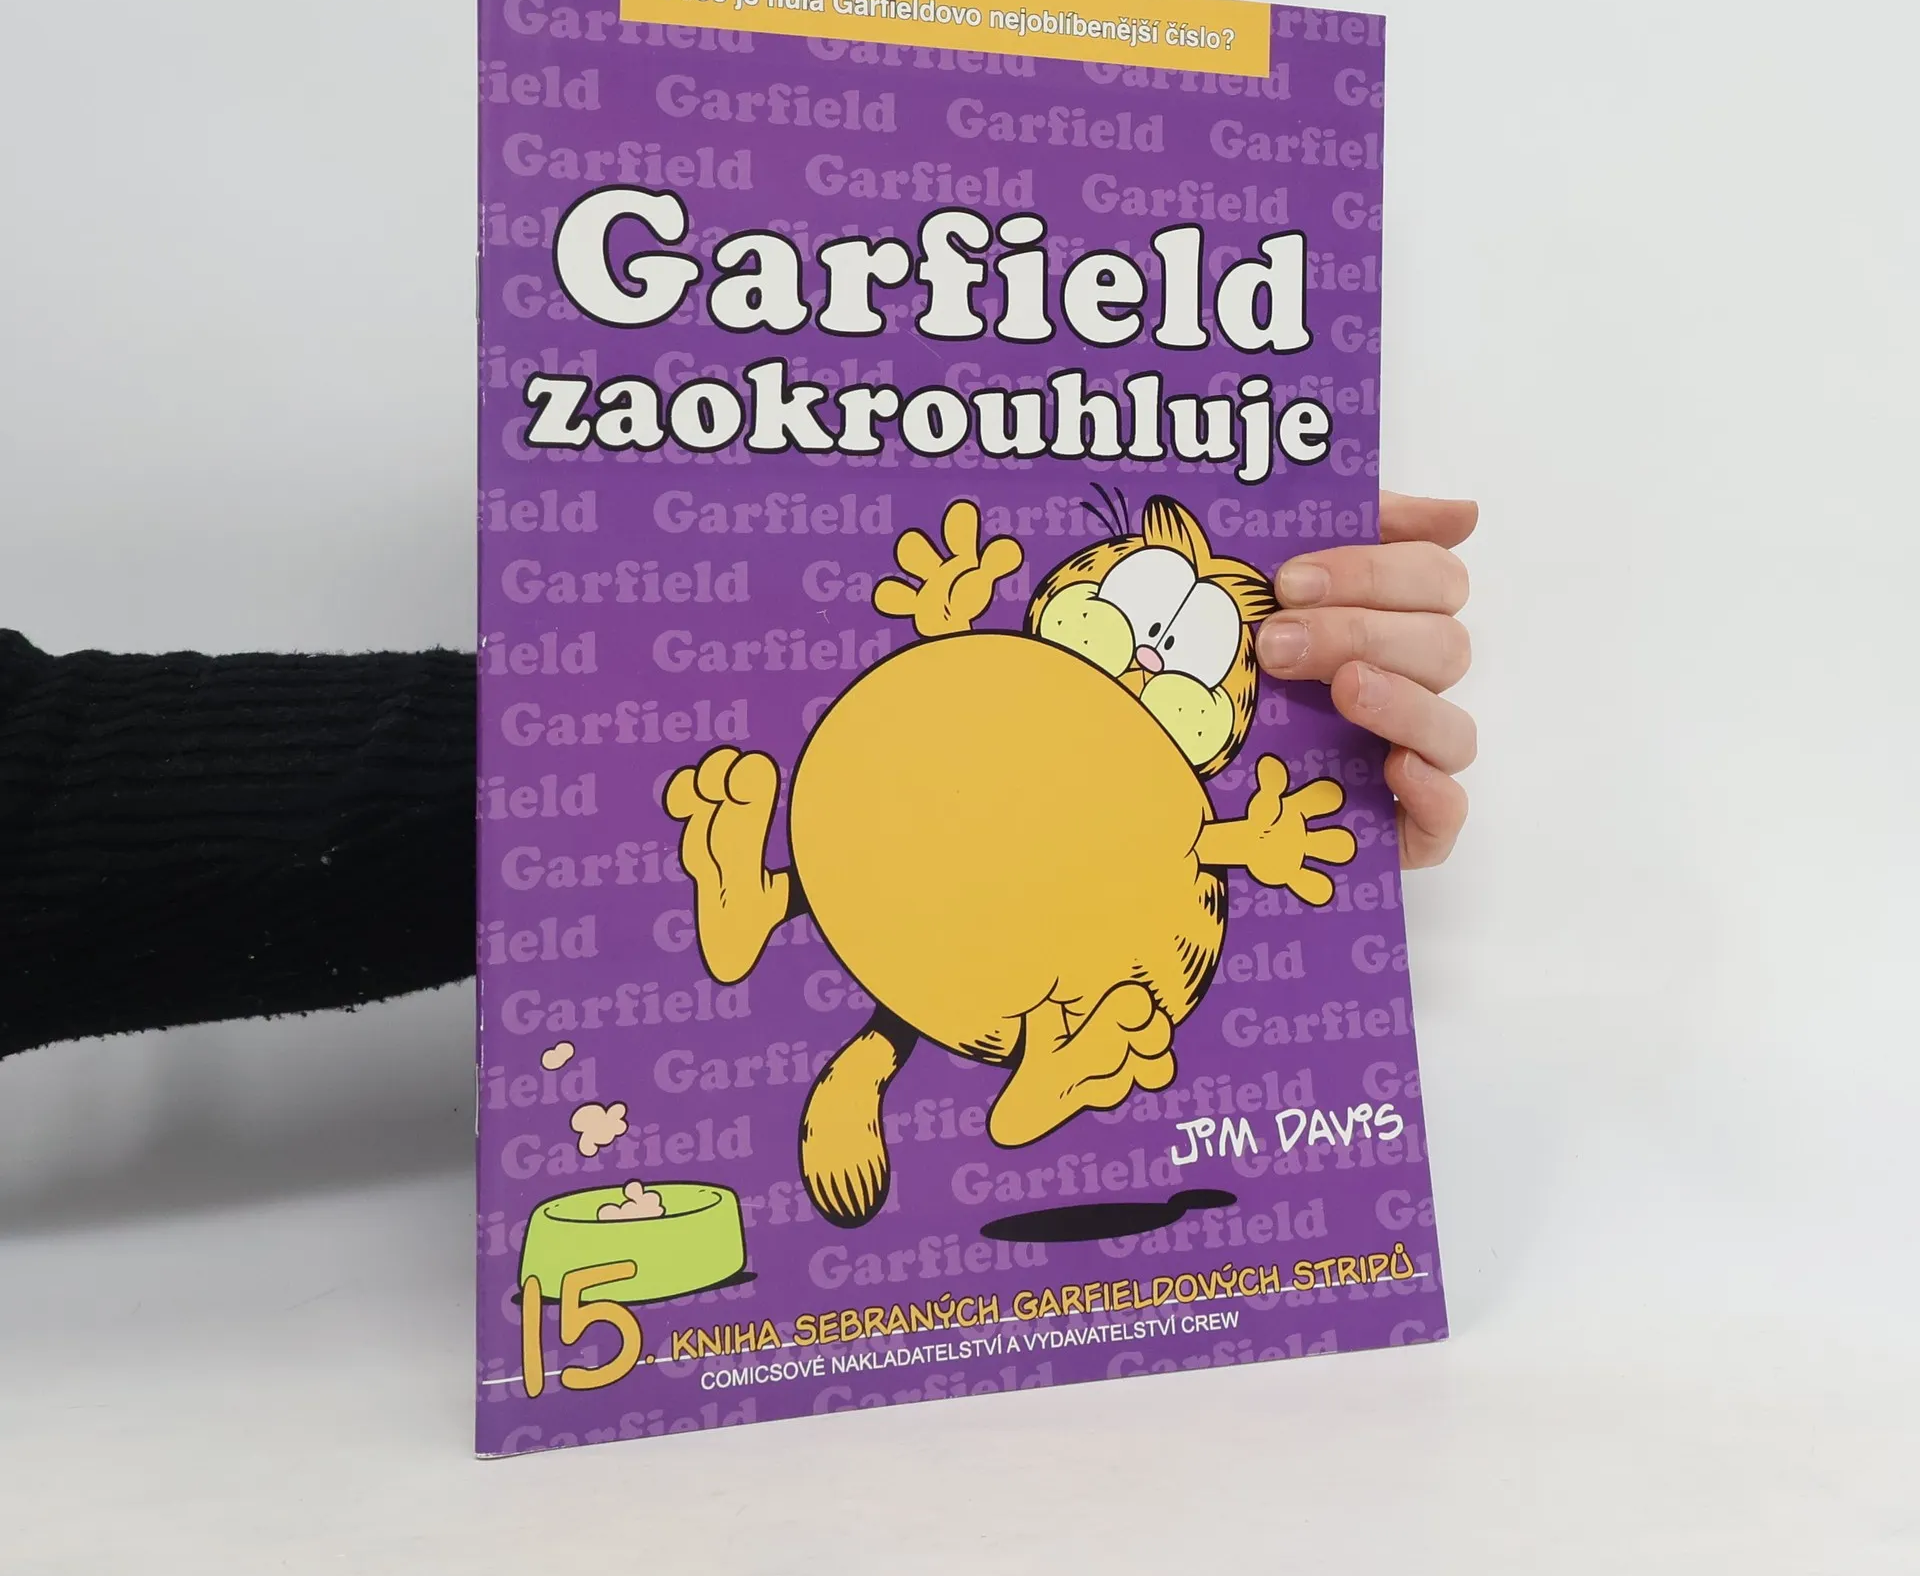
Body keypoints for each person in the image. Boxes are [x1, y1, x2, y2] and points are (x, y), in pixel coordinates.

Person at [0, 491, 1475, 1065]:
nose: (1147, 649)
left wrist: (1317, 772)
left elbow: (40, 784)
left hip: (1037, 903)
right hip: (903, 835)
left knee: (1015, 961)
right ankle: (771, 898)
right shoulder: (985, 678)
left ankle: (986, 1020)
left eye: (1186, 658)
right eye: (1136, 612)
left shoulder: (1150, 780)